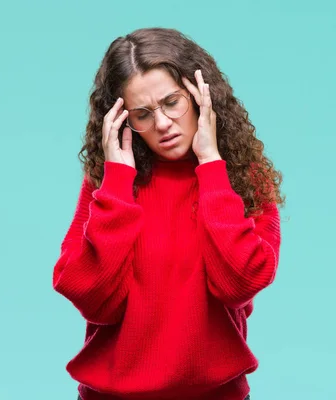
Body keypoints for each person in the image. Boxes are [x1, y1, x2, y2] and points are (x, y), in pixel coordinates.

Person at [51, 27, 284, 400]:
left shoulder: (241, 176)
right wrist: (115, 182)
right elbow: (93, 299)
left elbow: (239, 285)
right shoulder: (109, 184)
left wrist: (210, 165)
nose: (161, 124)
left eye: (172, 102)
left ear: (200, 95)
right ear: (123, 120)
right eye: (142, 114)